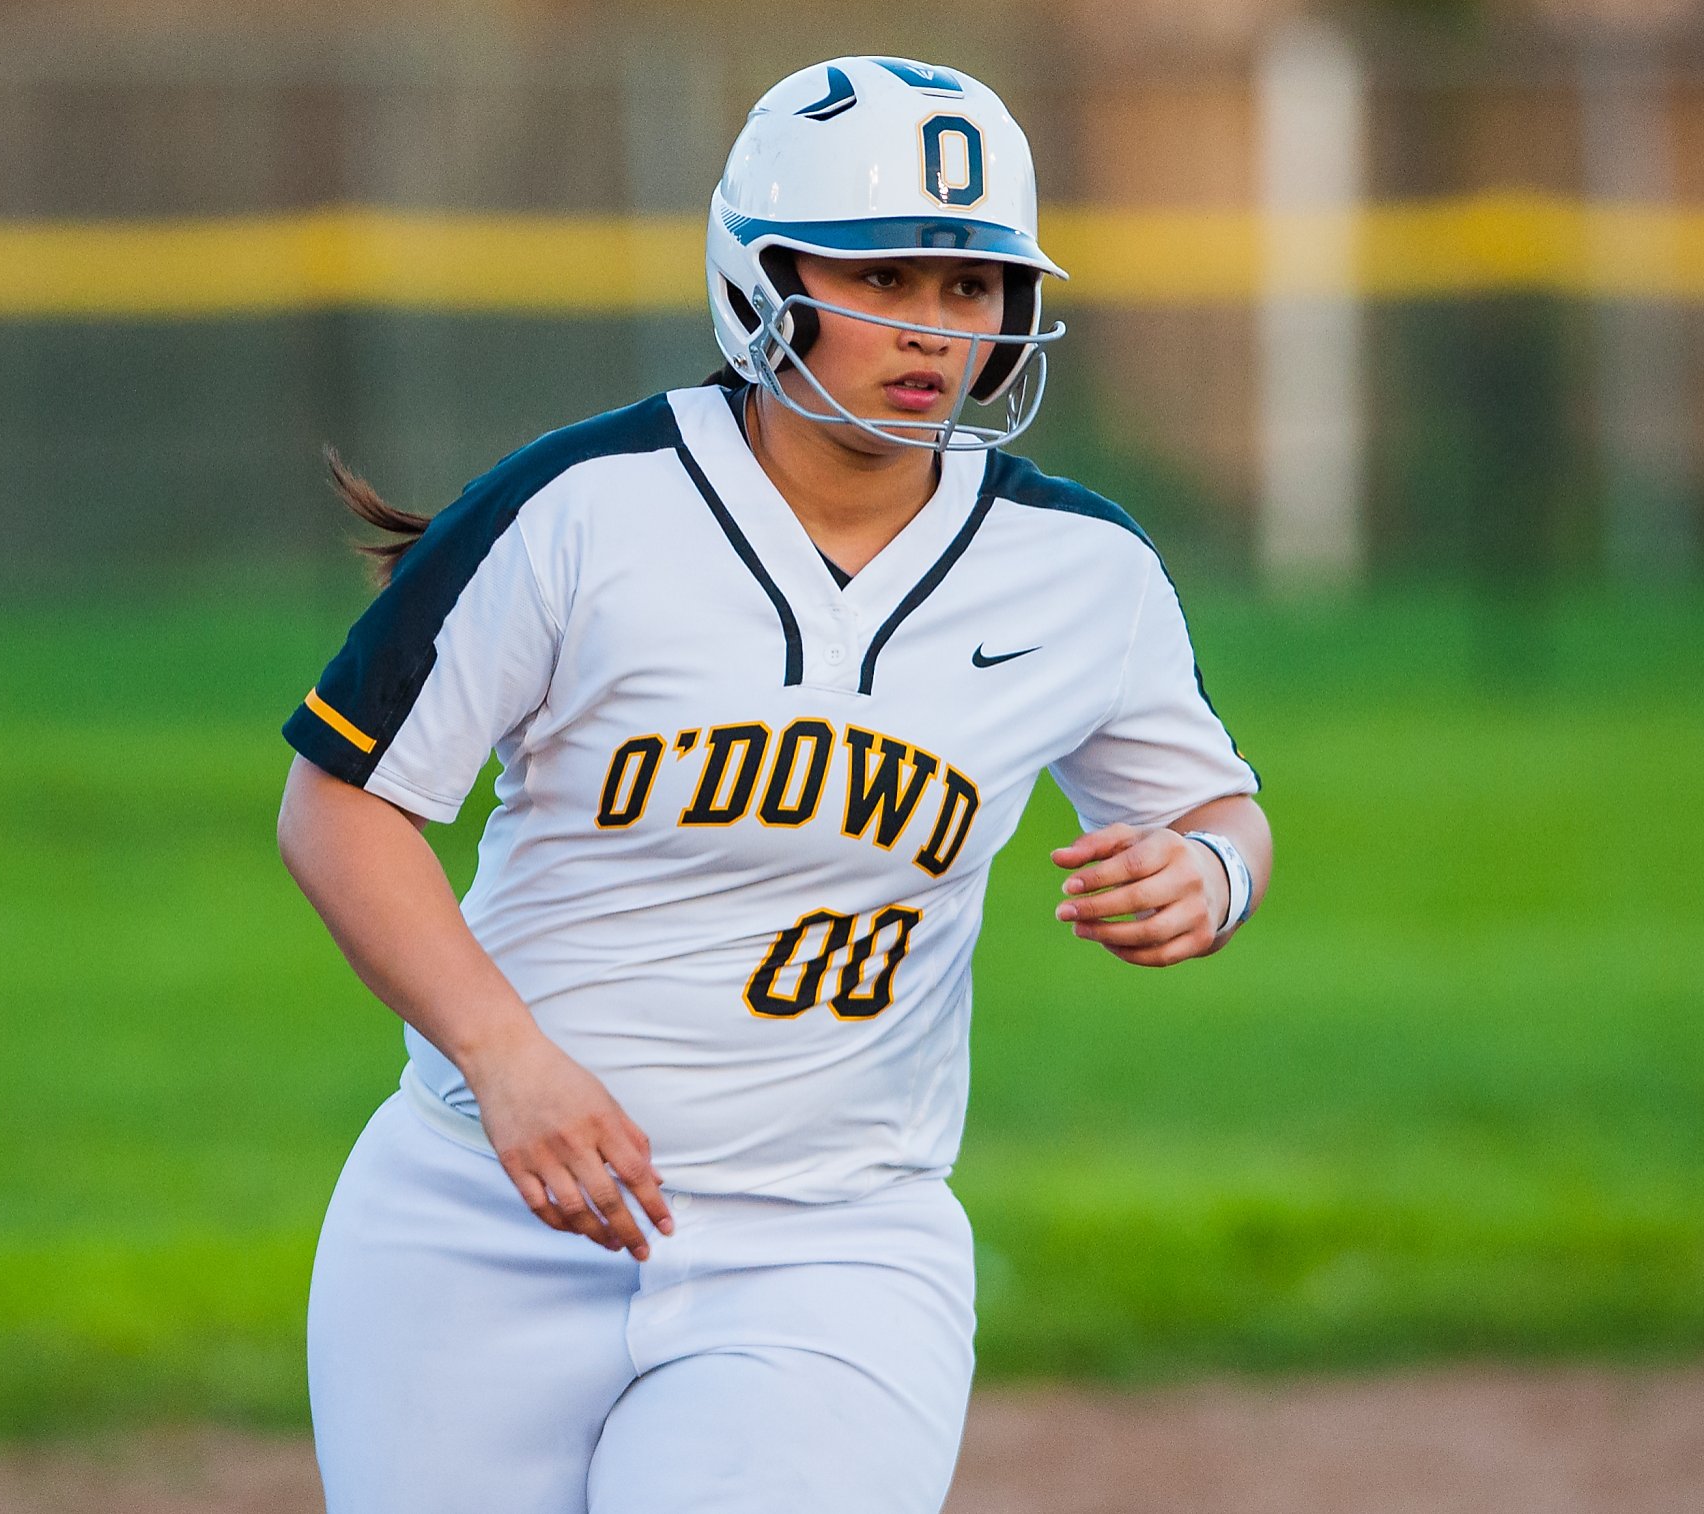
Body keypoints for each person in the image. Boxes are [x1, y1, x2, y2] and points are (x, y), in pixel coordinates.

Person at [276, 53, 1270, 1514]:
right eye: (886, 275)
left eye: (973, 286)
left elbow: (1213, 808)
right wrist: (506, 1057)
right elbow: (340, 806)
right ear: (762, 277)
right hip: (475, 1215)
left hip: (832, 1246)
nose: (936, 328)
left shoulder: (1083, 572)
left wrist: (1211, 873)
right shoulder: (583, 506)